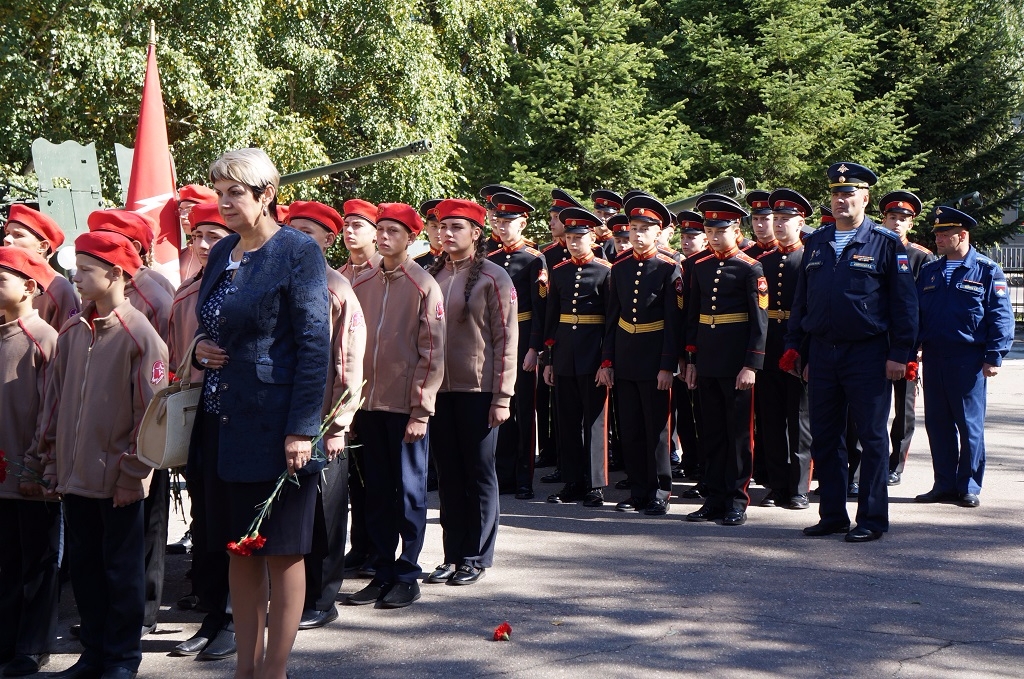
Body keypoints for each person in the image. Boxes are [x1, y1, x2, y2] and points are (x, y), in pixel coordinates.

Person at [191, 148, 330, 679]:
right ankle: (244, 668)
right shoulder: (223, 249)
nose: (223, 203)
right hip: (223, 420)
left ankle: (274, 669)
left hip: (277, 425)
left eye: (235, 193)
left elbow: (315, 344)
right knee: (238, 548)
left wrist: (302, 429)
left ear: (266, 194)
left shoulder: (297, 252)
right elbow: (212, 322)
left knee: (281, 551)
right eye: (218, 192)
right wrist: (201, 345)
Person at [38, 230, 166, 679]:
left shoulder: (141, 336)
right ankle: (92, 652)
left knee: (121, 572)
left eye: (86, 269)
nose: (76, 274)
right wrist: (51, 461)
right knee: (88, 570)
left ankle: (122, 656)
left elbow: (152, 413)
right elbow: (54, 403)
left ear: (115, 274)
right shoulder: (73, 330)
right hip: (76, 479)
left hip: (118, 481)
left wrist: (133, 473)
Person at [786, 162, 918, 543]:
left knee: (872, 438)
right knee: (825, 437)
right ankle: (832, 515)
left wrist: (900, 354)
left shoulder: (886, 243)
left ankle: (872, 519)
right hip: (823, 354)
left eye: (849, 193)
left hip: (869, 354)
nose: (841, 199)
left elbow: (905, 307)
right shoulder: (818, 241)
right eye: (836, 193)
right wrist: (797, 347)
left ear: (865, 198)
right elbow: (802, 302)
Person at [348, 203, 445, 607]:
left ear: (409, 238)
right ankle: (382, 569)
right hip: (368, 406)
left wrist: (421, 410)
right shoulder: (361, 282)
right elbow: (349, 349)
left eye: (394, 232)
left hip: (406, 409)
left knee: (408, 494)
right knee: (376, 494)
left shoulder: (423, 284)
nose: (385, 237)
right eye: (381, 229)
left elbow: (433, 352)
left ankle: (408, 572)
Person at [86, 209, 173, 638]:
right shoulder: (88, 307)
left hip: (139, 429)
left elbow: (158, 372)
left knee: (146, 518)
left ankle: (143, 607)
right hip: (97, 436)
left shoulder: (151, 299)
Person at [426, 198, 517, 586]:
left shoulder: (495, 277)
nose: (446, 234)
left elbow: (507, 339)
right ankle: (452, 553)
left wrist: (503, 396)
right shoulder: (432, 275)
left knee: (479, 473)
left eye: (456, 228)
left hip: (479, 390)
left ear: (476, 233)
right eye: (442, 227)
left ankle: (476, 555)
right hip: (440, 391)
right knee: (448, 476)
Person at [284, 201, 366, 627]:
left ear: (328, 240)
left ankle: (322, 598)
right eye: (291, 230)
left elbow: (349, 365)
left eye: (308, 233)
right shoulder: (280, 279)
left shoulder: (337, 289)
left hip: (323, 422)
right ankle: (292, 596)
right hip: (285, 419)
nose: (297, 239)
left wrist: (339, 424)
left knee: (325, 513)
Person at [167, 203, 238, 662]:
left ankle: (235, 618)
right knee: (208, 519)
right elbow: (183, 352)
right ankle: (212, 613)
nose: (209, 246)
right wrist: (196, 353)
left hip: (248, 419)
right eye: (201, 237)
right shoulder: (192, 290)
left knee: (239, 525)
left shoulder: (270, 272)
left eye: (219, 236)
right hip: (203, 415)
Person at [914, 206, 1014, 508]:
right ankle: (943, 483)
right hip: (934, 357)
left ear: (963, 235)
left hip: (967, 359)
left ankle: (968, 485)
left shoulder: (986, 270)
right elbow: (918, 314)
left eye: (945, 234)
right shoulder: (930, 271)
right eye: (937, 233)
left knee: (969, 425)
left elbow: (1000, 315)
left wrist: (994, 355)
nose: (939, 238)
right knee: (938, 423)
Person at [683, 198, 767, 526]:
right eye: (709, 230)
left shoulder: (750, 268)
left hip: (736, 364)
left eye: (721, 231)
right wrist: (691, 360)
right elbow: (693, 317)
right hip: (707, 361)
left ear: (736, 230)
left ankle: (737, 500)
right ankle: (714, 498)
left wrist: (752, 365)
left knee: (738, 436)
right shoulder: (700, 266)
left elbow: (760, 322)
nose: (714, 236)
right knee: (712, 432)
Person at [602, 195, 682, 516]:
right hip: (625, 355)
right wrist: (607, 361)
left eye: (645, 229)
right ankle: (638, 490)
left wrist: (667, 366)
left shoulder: (668, 267)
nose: (637, 234)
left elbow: (674, 325)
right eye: (633, 228)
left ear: (658, 231)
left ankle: (660, 490)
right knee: (630, 427)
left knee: (657, 429)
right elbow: (611, 318)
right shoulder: (619, 266)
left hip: (654, 355)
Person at [0, 248, 60, 678]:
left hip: (29, 475)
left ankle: (33, 645)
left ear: (29, 287)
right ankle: (6, 639)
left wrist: (34, 466)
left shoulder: (43, 337)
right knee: (5, 560)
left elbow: (50, 411)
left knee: (35, 562)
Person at [542, 206, 612, 507]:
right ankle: (573, 481)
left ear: (592, 237)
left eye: (579, 237)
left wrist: (607, 361)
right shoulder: (559, 271)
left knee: (594, 421)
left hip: (593, 352)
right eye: (569, 236)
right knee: (567, 420)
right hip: (565, 353)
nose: (572, 242)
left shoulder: (605, 270)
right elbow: (551, 318)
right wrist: (549, 359)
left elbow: (611, 320)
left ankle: (596, 484)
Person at [755, 189, 813, 511]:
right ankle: (777, 485)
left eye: (785, 219)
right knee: (772, 421)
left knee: (800, 420)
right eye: (775, 219)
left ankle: (799, 487)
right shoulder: (762, 261)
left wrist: (806, 352)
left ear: (800, 222)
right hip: (768, 346)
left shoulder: (809, 258)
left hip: (798, 345)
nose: (778, 225)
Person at [487, 193, 547, 500]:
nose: (503, 226)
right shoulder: (490, 260)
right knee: (499, 406)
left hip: (523, 335)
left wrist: (534, 348)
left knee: (524, 410)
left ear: (523, 223)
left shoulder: (534, 260)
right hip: (496, 338)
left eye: (509, 221)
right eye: (499, 221)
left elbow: (540, 310)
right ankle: (503, 474)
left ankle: (524, 477)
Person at [875, 191, 937, 486]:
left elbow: (925, 304)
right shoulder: (870, 249)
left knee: (904, 407)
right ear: (883, 219)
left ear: (911, 225)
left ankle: (895, 464)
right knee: (868, 405)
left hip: (907, 342)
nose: (897, 223)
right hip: (872, 339)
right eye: (892, 218)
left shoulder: (921, 257)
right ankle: (865, 463)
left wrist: (920, 343)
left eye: (903, 219)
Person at [336, 197, 380, 578]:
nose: (351, 233)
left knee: (374, 474)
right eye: (347, 226)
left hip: (375, 389)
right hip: (343, 390)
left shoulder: (385, 272)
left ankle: (376, 548)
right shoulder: (338, 275)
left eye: (359, 226)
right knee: (350, 475)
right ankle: (359, 542)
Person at [537, 189, 583, 477]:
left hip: (588, 345)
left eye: (557, 218)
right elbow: (547, 304)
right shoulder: (547, 255)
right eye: (552, 217)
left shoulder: (598, 257)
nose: (553, 223)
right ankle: (558, 458)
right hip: (559, 339)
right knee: (556, 407)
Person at [2, 205, 79, 330]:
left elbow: (67, 344)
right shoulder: (5, 280)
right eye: (7, 233)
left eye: (18, 235)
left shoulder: (58, 287)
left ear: (42, 246)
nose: (7, 239)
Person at [674, 211, 708, 489]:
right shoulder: (681, 266)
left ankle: (703, 469)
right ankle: (691, 462)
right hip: (683, 349)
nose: (686, 242)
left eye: (692, 236)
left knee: (704, 416)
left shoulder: (701, 266)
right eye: (683, 236)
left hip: (703, 349)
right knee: (686, 412)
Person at [338, 199, 381, 283]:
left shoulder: (388, 274)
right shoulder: (337, 277)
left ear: (376, 234)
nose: (348, 230)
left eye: (357, 225)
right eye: (346, 225)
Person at [591, 189, 623, 259]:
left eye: (607, 214)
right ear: (593, 213)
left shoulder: (619, 242)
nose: (602, 218)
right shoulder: (586, 239)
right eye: (599, 212)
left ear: (616, 216)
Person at [413, 200, 444, 269]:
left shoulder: (457, 261)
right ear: (426, 228)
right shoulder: (416, 263)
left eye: (442, 227)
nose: (438, 231)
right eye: (434, 226)